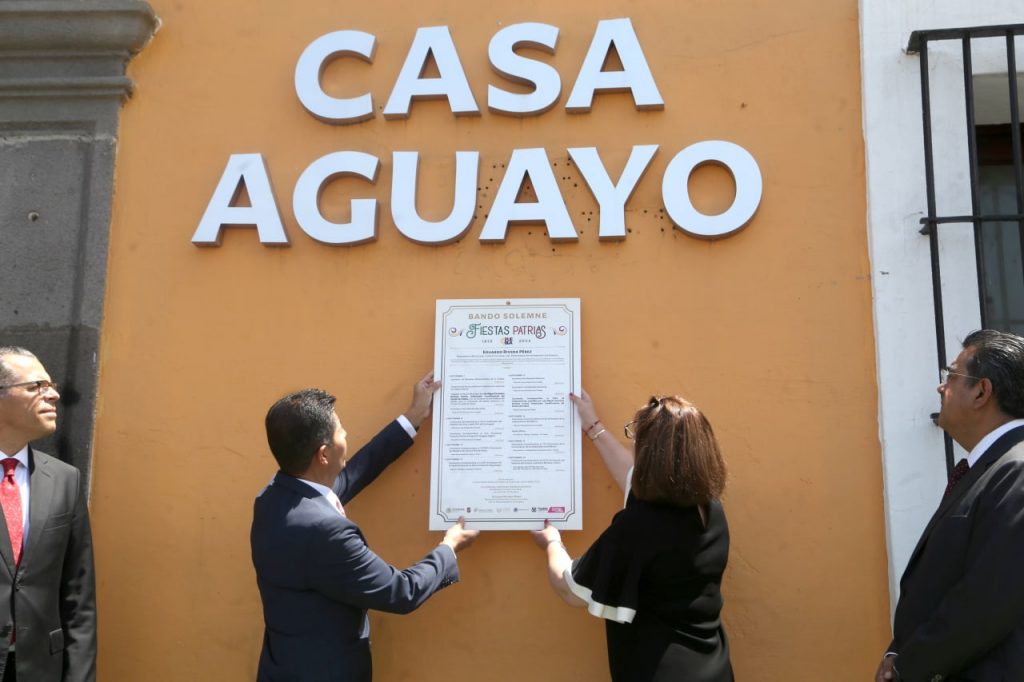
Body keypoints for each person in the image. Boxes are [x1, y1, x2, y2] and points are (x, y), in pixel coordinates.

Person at [251, 372, 478, 682]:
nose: (346, 434)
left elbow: (350, 476)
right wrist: (450, 547)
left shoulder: (273, 499)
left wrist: (413, 417)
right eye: (340, 431)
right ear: (323, 454)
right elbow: (401, 593)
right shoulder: (326, 532)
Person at [532, 390, 733, 682]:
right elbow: (632, 475)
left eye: (635, 437)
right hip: (714, 669)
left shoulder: (639, 526)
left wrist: (552, 542)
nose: (632, 442)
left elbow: (570, 589)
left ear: (651, 453)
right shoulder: (709, 508)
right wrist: (593, 426)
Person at [876, 330, 1024, 682]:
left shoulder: (1016, 470)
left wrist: (908, 666)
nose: (941, 388)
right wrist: (899, 650)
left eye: (952, 376)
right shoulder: (991, 467)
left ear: (981, 391)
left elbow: (988, 598)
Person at [0, 346, 96, 682]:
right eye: (35, 386)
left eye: (51, 385)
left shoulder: (65, 480)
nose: (53, 394)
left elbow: (78, 597)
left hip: (40, 668)